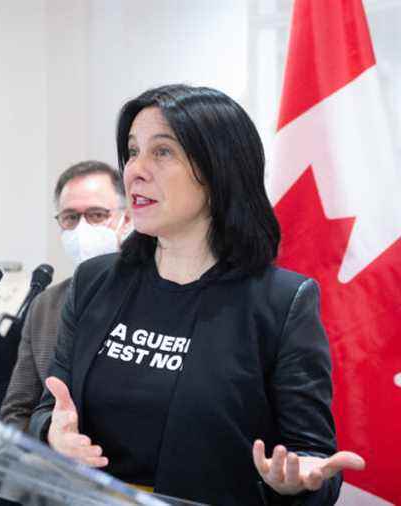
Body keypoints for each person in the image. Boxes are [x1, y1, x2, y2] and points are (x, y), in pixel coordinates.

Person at [28, 85, 365, 505]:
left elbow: (315, 460)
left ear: (218, 169)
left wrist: (293, 482)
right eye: (133, 151)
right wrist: (50, 432)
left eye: (162, 151)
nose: (135, 169)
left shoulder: (282, 302)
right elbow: (47, 409)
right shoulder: (95, 282)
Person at [0, 161, 131, 431]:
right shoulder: (45, 305)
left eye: (96, 215)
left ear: (126, 219)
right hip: (54, 467)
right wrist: (49, 445)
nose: (82, 229)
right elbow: (17, 410)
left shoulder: (155, 295)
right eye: (70, 217)